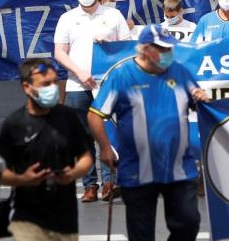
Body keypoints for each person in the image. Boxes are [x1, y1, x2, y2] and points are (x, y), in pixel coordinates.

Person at [89, 25, 210, 241]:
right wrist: (105, 148)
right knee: (141, 233)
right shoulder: (122, 75)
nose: (168, 53)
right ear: (145, 49)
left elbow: (197, 99)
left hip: (179, 167)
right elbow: (95, 114)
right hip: (137, 169)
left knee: (189, 223)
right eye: (162, 49)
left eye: (169, 48)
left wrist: (201, 97)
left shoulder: (179, 71)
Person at [53, 0, 130, 203]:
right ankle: (89, 185)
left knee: (107, 133)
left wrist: (111, 45)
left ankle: (109, 182)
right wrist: (79, 73)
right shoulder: (67, 18)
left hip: (107, 84)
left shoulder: (113, 15)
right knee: (82, 136)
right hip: (78, 85)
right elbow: (59, 52)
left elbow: (128, 48)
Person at [0, 58, 92, 241]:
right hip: (27, 220)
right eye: (45, 84)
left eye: (55, 82)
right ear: (27, 87)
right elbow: (0, 171)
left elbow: (86, 157)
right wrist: (23, 179)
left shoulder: (68, 117)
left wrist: (72, 174)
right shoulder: (14, 124)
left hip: (65, 221)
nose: (53, 88)